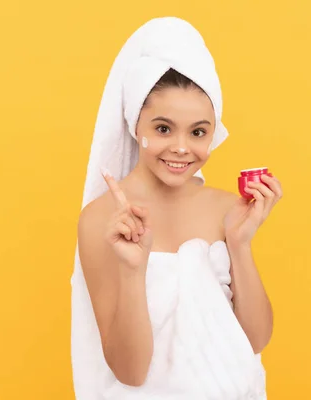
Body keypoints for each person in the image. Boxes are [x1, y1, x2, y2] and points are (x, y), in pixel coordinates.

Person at [71, 17, 282, 400]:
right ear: (137, 126)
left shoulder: (227, 209)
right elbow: (130, 373)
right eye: (164, 128)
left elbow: (254, 341)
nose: (182, 148)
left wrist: (240, 245)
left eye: (198, 132)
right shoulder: (103, 220)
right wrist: (133, 271)